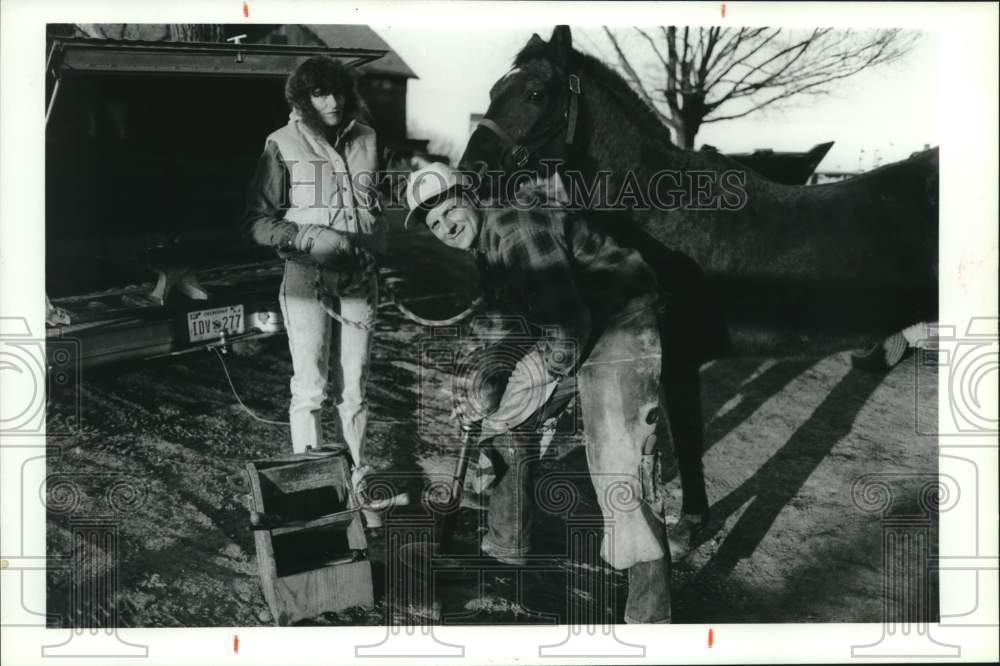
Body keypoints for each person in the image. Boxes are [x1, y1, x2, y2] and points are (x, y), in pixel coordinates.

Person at [403, 163, 672, 623]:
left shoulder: (515, 232)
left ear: (470, 197)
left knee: (622, 458)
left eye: (450, 211)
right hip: (574, 322)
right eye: (435, 224)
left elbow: (566, 329)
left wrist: (530, 383)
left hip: (620, 320)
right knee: (501, 416)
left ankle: (651, 613)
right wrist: (484, 383)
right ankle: (506, 546)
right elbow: (509, 322)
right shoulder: (488, 243)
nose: (447, 227)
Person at [241, 56, 384, 480]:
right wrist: (305, 237)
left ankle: (357, 481)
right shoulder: (282, 142)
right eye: (320, 94)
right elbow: (255, 221)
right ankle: (316, 485)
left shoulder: (368, 138)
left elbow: (377, 205)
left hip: (359, 278)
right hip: (306, 278)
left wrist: (378, 242)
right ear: (303, 99)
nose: (332, 101)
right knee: (311, 389)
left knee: (355, 389)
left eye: (338, 91)